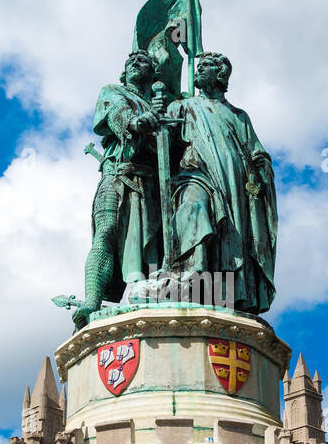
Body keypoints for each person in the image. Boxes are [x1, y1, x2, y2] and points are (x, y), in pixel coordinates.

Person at [165, 51, 277, 314]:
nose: (199, 71)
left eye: (206, 67)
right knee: (194, 209)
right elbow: (163, 141)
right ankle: (191, 278)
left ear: (221, 75)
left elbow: (257, 151)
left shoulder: (239, 116)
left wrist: (261, 170)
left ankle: (226, 292)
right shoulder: (183, 106)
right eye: (199, 66)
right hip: (195, 174)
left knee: (232, 238)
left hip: (235, 183)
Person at [76, 51, 164, 328]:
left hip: (150, 182)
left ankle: (147, 288)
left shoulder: (160, 104)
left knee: (150, 243)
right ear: (124, 72)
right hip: (116, 173)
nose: (136, 65)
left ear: (152, 74)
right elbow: (117, 113)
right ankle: (92, 299)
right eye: (131, 62)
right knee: (105, 232)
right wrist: (138, 122)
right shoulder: (113, 91)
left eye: (143, 62)